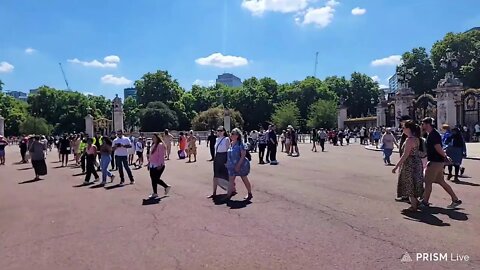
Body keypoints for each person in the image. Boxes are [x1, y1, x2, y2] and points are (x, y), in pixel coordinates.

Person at [420, 118, 462, 209]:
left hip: (434, 161)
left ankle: (425, 201)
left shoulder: (433, 135)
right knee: (441, 181)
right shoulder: (432, 134)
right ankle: (455, 199)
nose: (422, 126)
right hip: (438, 162)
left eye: (423, 124)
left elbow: (438, 147)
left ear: (428, 124)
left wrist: (445, 156)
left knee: (428, 182)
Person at [392, 121, 424, 212]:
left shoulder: (409, 140)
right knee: (415, 182)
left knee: (409, 183)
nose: (402, 129)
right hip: (417, 162)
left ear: (408, 129)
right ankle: (416, 202)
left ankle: (413, 205)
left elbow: (405, 155)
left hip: (409, 163)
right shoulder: (417, 138)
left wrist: (397, 166)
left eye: (404, 128)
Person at [225, 128, 253, 201]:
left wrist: (238, 165)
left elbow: (243, 155)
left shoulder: (241, 144)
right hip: (232, 165)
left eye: (233, 134)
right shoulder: (231, 144)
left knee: (244, 178)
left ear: (237, 135)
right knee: (231, 180)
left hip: (241, 164)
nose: (231, 135)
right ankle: (228, 196)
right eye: (231, 134)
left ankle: (249, 193)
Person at [208, 126, 230, 198]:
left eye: (221, 131)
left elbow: (228, 150)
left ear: (224, 131)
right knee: (215, 175)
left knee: (226, 174)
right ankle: (214, 192)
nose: (219, 132)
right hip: (217, 157)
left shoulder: (226, 139)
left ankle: (230, 190)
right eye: (218, 131)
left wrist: (227, 160)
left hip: (224, 156)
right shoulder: (217, 139)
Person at [147, 133, 171, 198]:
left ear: (157, 138)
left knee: (156, 179)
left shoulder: (160, 145)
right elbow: (151, 155)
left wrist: (160, 165)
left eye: (154, 137)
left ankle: (166, 186)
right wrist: (149, 163)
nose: (153, 139)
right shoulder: (153, 145)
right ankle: (155, 193)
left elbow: (161, 156)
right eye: (152, 137)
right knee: (153, 179)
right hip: (152, 164)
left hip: (158, 165)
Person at [395, 115, 412, 202]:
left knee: (407, 178)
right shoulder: (406, 132)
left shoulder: (409, 133)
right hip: (406, 157)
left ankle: (408, 196)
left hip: (408, 159)